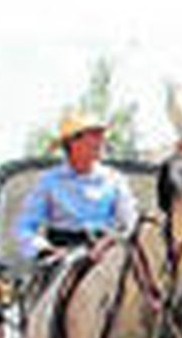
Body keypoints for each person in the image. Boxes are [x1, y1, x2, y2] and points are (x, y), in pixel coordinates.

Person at [13, 110, 139, 262]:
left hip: (108, 256)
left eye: (100, 135)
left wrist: (109, 242)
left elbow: (131, 222)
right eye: (93, 135)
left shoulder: (114, 179)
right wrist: (46, 250)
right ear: (73, 142)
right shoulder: (49, 182)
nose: (100, 141)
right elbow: (25, 227)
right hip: (64, 257)